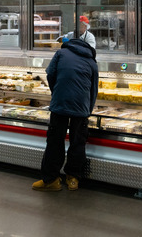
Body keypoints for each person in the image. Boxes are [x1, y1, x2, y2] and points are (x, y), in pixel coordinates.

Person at [33, 37, 98, 192]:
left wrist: (56, 92)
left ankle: (51, 180)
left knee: (55, 141)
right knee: (78, 142)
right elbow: (93, 89)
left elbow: (49, 74)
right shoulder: (92, 61)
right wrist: (88, 110)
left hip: (60, 103)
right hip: (81, 106)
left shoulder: (61, 53)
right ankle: (73, 179)